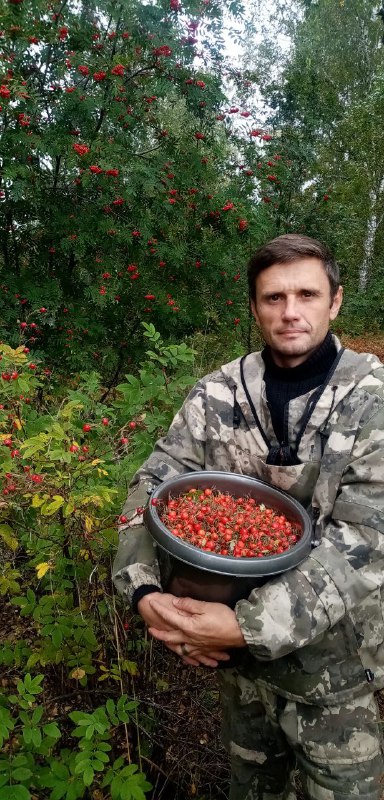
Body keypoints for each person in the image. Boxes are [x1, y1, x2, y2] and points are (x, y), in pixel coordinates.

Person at [113, 233, 384, 800]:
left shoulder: (371, 399)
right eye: (273, 298)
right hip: (238, 669)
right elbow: (153, 484)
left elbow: (366, 540)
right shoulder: (218, 393)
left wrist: (245, 625)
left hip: (335, 671)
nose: (290, 312)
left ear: (335, 303)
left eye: (307, 295)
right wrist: (144, 592)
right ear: (255, 307)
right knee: (251, 787)